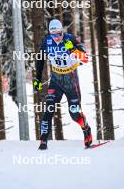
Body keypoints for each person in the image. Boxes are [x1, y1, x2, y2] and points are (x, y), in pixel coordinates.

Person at [33, 19, 92, 150]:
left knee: (75, 113)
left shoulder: (69, 38)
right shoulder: (47, 41)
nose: (57, 37)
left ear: (62, 31)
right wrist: (37, 79)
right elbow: (40, 60)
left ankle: (86, 128)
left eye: (59, 34)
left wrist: (72, 50)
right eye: (54, 35)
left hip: (71, 80)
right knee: (48, 110)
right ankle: (43, 142)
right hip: (56, 80)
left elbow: (85, 58)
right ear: (50, 34)